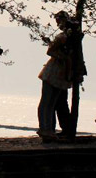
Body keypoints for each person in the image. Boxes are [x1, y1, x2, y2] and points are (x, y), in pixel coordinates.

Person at [37, 11, 73, 141]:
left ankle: (48, 128)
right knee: (47, 101)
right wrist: (63, 58)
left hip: (62, 73)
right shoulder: (61, 37)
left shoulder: (67, 37)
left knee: (52, 102)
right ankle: (45, 128)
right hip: (54, 72)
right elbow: (50, 51)